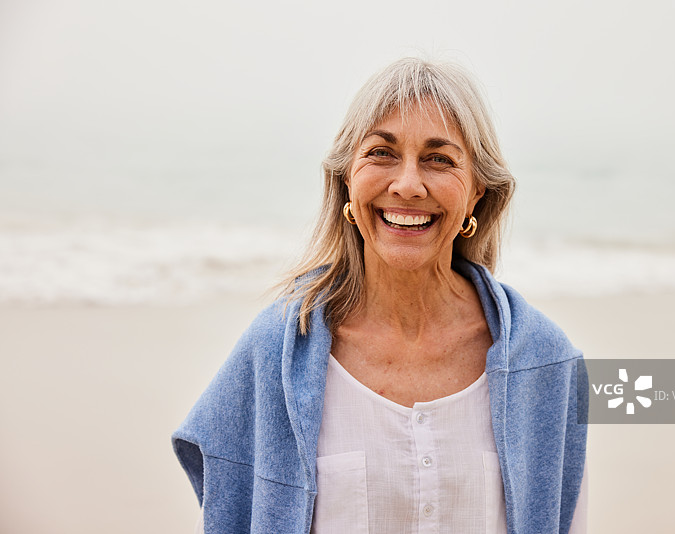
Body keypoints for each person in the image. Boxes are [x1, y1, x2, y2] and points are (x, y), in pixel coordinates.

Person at [173, 57, 588, 534]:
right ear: (347, 182)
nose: (408, 184)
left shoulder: (547, 364)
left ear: (476, 193)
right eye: (382, 153)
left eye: (439, 159)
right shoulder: (273, 355)